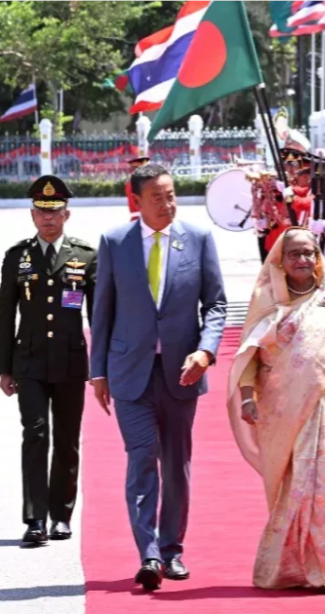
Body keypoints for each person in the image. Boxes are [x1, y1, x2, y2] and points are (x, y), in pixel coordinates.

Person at [89, 163, 227, 591]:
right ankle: (148, 553)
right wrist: (98, 372)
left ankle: (172, 550)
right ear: (137, 201)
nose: (167, 204)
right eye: (157, 197)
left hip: (180, 373)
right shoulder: (115, 242)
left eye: (171, 195)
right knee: (142, 456)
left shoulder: (198, 239)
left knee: (176, 464)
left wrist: (205, 351)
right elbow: (102, 310)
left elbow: (216, 305)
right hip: (130, 371)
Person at [227, 228, 325, 592]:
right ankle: (287, 567)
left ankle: (322, 568)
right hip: (280, 407)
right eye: (295, 254)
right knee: (291, 485)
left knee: (323, 482)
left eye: (309, 253)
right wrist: (247, 397)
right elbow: (250, 355)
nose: (303, 260)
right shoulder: (266, 300)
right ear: (280, 260)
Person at [0, 175, 96, 545]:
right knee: (36, 434)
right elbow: (5, 315)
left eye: (55, 211)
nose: (48, 218)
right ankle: (35, 518)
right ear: (32, 214)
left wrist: (102, 367)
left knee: (67, 439)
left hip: (70, 363)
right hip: (30, 362)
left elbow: (98, 315)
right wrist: (4, 368)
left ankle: (61, 516)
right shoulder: (17, 257)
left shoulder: (85, 256)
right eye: (42, 211)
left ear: (66, 214)